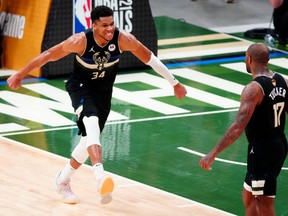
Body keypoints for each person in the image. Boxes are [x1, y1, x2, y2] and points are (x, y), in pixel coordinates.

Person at [7, 5, 187, 204]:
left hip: (103, 92)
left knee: (87, 142)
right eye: (104, 25)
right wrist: (20, 74)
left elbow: (150, 58)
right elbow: (49, 54)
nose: (110, 29)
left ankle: (63, 180)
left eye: (112, 24)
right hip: (81, 87)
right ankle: (100, 175)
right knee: (91, 123)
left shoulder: (123, 39)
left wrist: (175, 83)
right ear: (93, 26)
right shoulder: (79, 41)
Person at [199, 43, 288, 216]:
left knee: (264, 202)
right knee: (248, 195)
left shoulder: (253, 89)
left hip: (263, 149)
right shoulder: (284, 81)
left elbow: (237, 127)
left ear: (248, 59)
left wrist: (213, 152)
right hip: (278, 144)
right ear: (268, 60)